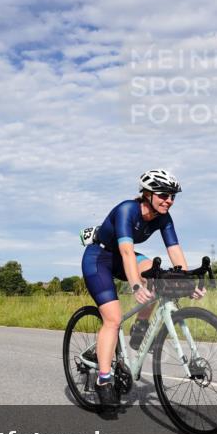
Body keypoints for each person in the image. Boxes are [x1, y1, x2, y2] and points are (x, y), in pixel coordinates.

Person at [81, 169, 205, 408]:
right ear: (147, 194)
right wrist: (136, 284)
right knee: (113, 319)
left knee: (161, 276)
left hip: (122, 257)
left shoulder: (163, 217)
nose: (169, 200)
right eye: (163, 194)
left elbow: (175, 251)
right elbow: (127, 252)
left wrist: (188, 282)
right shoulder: (127, 210)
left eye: (172, 196)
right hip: (100, 258)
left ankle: (139, 330)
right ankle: (103, 380)